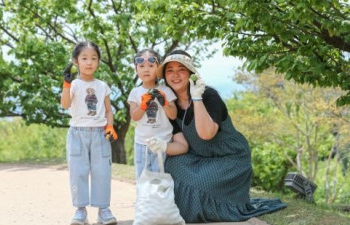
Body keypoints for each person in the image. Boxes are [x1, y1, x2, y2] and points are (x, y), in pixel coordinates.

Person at [148, 49, 287, 223]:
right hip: (201, 157)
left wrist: (196, 99)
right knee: (172, 165)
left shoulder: (208, 95)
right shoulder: (171, 105)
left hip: (230, 157)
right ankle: (178, 208)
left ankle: (202, 208)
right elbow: (182, 145)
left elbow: (206, 134)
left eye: (181, 69)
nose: (175, 75)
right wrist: (162, 146)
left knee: (202, 183)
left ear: (190, 73)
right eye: (170, 70)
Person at [61, 41, 118, 225]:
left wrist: (110, 126)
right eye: (84, 58)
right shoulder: (74, 84)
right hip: (78, 133)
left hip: (100, 134)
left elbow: (109, 110)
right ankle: (80, 211)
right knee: (78, 172)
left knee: (102, 172)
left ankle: (103, 210)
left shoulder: (102, 86)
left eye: (93, 58)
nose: (89, 62)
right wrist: (66, 84)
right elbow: (65, 104)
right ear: (76, 61)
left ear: (98, 62)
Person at [128, 49, 188, 180]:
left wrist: (165, 102)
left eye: (151, 66)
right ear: (136, 70)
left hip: (163, 142)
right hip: (142, 144)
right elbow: (134, 116)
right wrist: (143, 106)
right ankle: (143, 200)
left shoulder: (166, 90)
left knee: (161, 179)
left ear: (158, 69)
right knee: (142, 178)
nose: (146, 70)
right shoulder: (135, 92)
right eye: (141, 66)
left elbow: (173, 115)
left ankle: (159, 201)